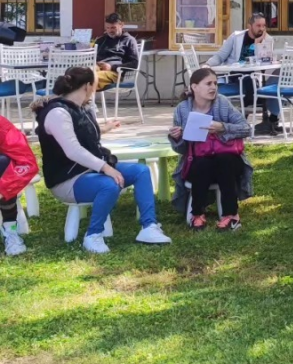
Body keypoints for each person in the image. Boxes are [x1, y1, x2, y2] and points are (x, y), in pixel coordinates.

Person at [33, 67, 171, 253]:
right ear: (87, 86)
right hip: (67, 180)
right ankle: (93, 235)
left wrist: (105, 128)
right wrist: (106, 167)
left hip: (88, 171)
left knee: (141, 171)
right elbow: (73, 150)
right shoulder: (57, 113)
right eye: (96, 86)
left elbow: (82, 132)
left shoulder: (80, 108)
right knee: (109, 185)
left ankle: (149, 227)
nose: (96, 90)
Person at [167, 68, 253, 231]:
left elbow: (246, 129)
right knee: (201, 164)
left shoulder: (222, 103)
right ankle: (197, 214)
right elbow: (183, 150)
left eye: (215, 83)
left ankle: (231, 215)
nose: (213, 87)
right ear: (194, 87)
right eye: (208, 84)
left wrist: (222, 127)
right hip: (198, 159)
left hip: (227, 158)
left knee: (225, 161)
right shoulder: (182, 109)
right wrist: (177, 138)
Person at [206, 13, 281, 135]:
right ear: (249, 26)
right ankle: (248, 119)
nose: (261, 29)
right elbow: (220, 56)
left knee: (277, 78)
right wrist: (207, 65)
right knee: (249, 82)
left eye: (264, 26)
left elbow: (263, 60)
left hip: (256, 76)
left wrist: (258, 44)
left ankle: (271, 118)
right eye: (258, 26)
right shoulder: (236, 37)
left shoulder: (268, 39)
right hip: (235, 75)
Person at [1, 114, 39, 256]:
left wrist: (3, 190)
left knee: (3, 163)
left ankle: (10, 230)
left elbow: (26, 162)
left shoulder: (3, 127)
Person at [94, 12, 140, 91]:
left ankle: (86, 97)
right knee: (77, 75)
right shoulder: (101, 40)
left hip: (115, 72)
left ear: (121, 25)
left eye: (113, 28)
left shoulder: (129, 40)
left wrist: (112, 67)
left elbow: (135, 63)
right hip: (97, 67)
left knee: (89, 78)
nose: (110, 31)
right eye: (107, 28)